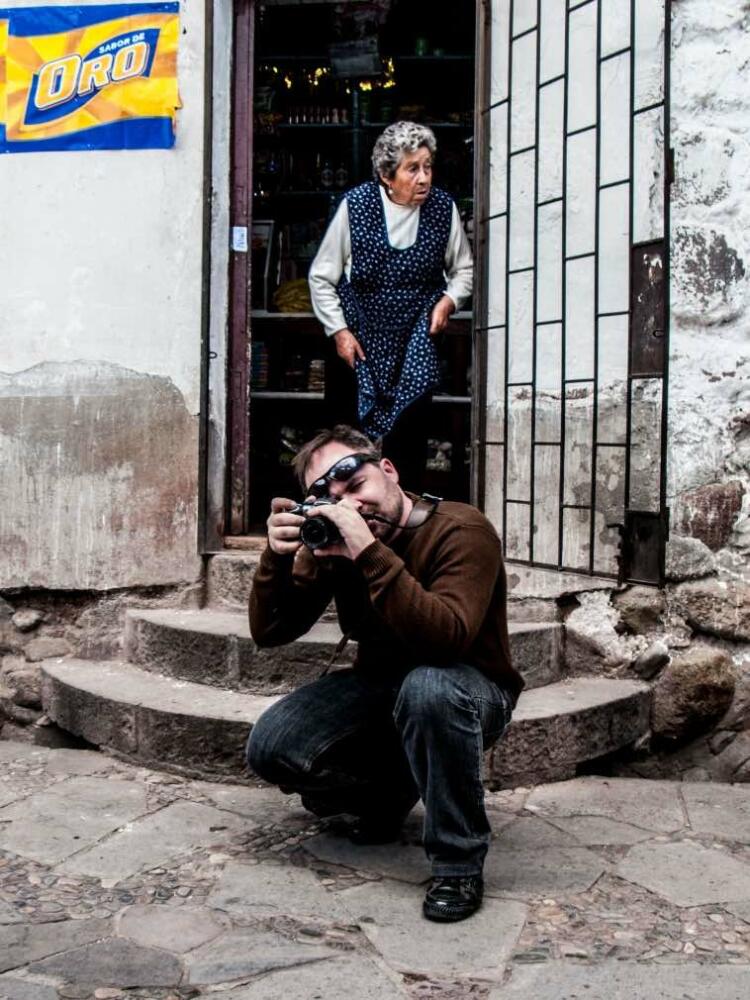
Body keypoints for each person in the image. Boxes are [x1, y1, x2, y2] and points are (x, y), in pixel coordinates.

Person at [246, 425, 524, 922]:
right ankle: (388, 791)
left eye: (355, 487)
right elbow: (270, 631)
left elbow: (446, 640)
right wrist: (277, 556)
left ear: (388, 470)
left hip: (468, 688)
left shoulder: (462, 530)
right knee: (272, 746)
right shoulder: (337, 544)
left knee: (429, 689)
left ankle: (457, 864)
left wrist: (368, 552)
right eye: (331, 500)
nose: (351, 506)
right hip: (380, 686)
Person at [308, 122, 473, 489]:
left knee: (409, 435)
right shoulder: (357, 205)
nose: (424, 178)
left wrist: (448, 301)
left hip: (413, 338)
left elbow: (463, 270)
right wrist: (339, 331)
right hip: (359, 336)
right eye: (412, 169)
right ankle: (341, 515)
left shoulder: (442, 210)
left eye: (428, 167)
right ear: (387, 175)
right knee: (345, 438)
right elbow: (322, 277)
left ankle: (404, 516)